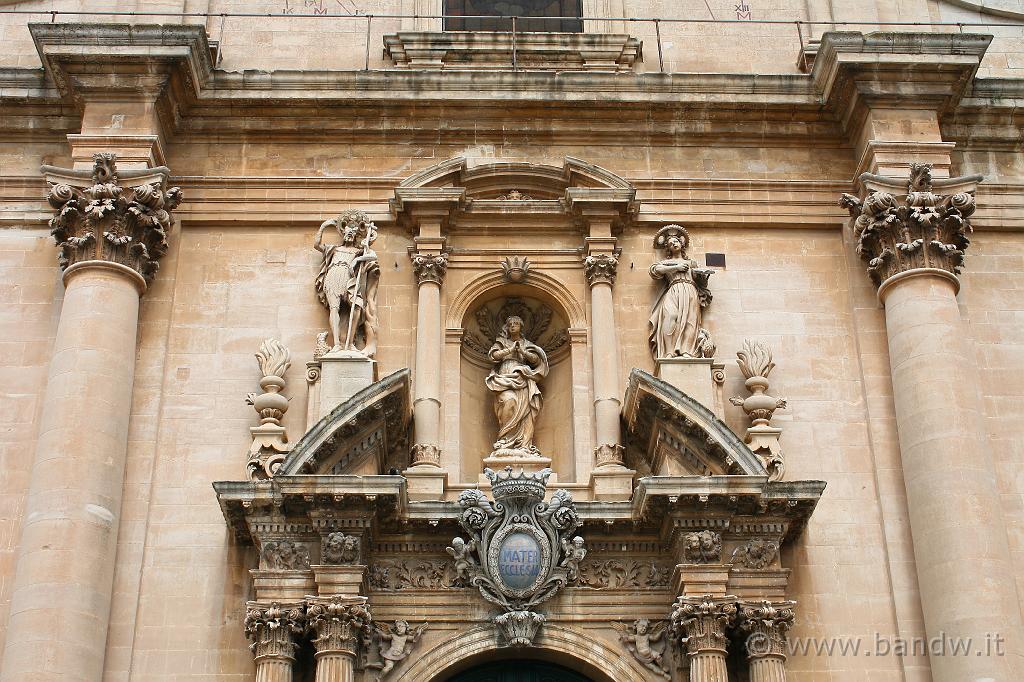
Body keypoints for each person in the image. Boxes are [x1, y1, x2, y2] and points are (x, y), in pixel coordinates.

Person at [314, 210, 379, 356]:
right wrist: (324, 226)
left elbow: (372, 255)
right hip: (334, 276)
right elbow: (317, 244)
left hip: (349, 279)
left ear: (355, 236)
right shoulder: (334, 249)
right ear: (344, 234)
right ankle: (337, 344)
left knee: (357, 306)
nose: (350, 236)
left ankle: (349, 343)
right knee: (334, 308)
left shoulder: (358, 251)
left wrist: (358, 259)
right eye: (347, 233)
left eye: (352, 234)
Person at [484, 316, 549, 454]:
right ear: (507, 327)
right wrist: (510, 350)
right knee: (509, 400)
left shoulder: (526, 343)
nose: (513, 326)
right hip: (505, 377)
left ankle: (523, 444)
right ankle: (505, 439)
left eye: (516, 324)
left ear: (521, 326)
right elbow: (493, 356)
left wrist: (522, 351)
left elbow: (537, 360)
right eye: (510, 324)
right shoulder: (501, 342)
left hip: (523, 378)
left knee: (527, 411)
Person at [648, 225, 714, 359]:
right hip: (674, 290)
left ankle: (686, 351)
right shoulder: (666, 263)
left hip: (690, 291)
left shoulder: (691, 263)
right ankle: (669, 352)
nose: (674, 244)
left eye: (676, 241)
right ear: (668, 248)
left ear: (681, 244)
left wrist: (703, 278)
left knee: (690, 320)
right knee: (670, 317)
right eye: (670, 243)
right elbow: (654, 271)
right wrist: (676, 267)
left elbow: (701, 283)